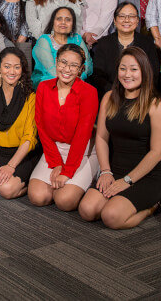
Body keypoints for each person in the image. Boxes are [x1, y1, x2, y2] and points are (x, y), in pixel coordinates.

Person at [78, 47, 161, 229]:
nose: (127, 74)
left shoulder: (156, 105)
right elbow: (101, 138)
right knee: (87, 210)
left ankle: (152, 207)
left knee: (111, 216)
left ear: (144, 72)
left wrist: (128, 180)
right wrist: (105, 171)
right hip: (115, 170)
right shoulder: (109, 98)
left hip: (146, 175)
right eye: (123, 68)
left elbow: (157, 153)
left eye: (134, 69)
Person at [29, 44, 98, 211]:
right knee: (37, 196)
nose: (67, 69)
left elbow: (82, 135)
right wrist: (56, 163)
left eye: (74, 65)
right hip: (54, 150)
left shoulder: (89, 92)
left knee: (64, 201)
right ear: (56, 62)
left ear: (81, 69)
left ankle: (91, 179)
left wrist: (67, 171)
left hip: (82, 151)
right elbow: (41, 127)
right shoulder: (44, 87)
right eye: (63, 62)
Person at [0, 48, 39, 199]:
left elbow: (29, 137)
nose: (12, 71)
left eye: (17, 67)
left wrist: (11, 166)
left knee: (6, 190)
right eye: (7, 66)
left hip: (21, 154)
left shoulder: (31, 97)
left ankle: (28, 184)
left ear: (22, 69)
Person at [90, 2, 160, 101]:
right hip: (110, 97)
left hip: (141, 97)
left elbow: (153, 74)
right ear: (115, 20)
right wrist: (115, 93)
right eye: (122, 16)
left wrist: (137, 95)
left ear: (137, 20)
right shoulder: (103, 43)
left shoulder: (147, 43)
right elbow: (98, 76)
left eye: (131, 16)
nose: (126, 20)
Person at [32, 7, 93, 87]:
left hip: (76, 81)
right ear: (53, 22)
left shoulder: (77, 39)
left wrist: (79, 78)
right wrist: (69, 82)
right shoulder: (44, 40)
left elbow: (88, 65)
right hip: (48, 81)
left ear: (73, 23)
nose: (63, 22)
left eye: (68, 20)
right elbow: (51, 71)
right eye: (59, 19)